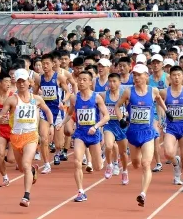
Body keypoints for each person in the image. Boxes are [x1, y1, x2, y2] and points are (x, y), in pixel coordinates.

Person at [0, 69, 55, 207]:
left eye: (24, 81)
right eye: (19, 81)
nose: (21, 83)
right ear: (15, 83)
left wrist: (51, 125)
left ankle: (26, 196)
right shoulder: (11, 100)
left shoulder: (36, 99)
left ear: (30, 82)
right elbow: (0, 117)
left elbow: (47, 111)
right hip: (16, 136)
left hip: (31, 136)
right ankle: (32, 171)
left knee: (25, 164)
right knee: (22, 168)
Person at [114, 63, 168, 207]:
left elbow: (160, 101)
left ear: (146, 76)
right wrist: (120, 119)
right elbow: (117, 106)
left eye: (139, 75)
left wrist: (166, 112)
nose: (136, 77)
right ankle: (140, 182)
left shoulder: (153, 90)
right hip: (132, 133)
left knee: (145, 164)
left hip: (148, 133)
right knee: (136, 164)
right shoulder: (128, 92)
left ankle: (143, 193)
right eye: (134, 75)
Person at [64, 69, 110, 202]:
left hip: (93, 134)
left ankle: (101, 157)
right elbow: (70, 113)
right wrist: (62, 123)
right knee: (77, 161)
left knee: (98, 167)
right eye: (80, 79)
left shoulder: (96, 97)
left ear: (90, 82)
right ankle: (80, 191)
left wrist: (95, 127)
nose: (81, 82)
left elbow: (106, 116)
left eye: (85, 80)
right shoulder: (74, 98)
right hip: (80, 133)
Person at [34, 53, 70, 173]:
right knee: (44, 138)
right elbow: (33, 94)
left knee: (59, 144)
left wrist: (64, 101)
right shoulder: (39, 78)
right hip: (45, 111)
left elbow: (68, 92)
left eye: (47, 63)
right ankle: (46, 164)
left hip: (58, 111)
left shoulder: (59, 77)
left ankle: (58, 152)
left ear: (52, 64)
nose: (44, 66)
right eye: (43, 63)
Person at [103, 73, 130, 183]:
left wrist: (125, 118)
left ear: (119, 82)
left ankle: (124, 171)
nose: (112, 84)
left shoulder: (124, 96)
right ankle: (109, 165)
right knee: (108, 146)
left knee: (123, 153)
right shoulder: (104, 95)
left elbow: (130, 110)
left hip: (122, 126)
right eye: (110, 81)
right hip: (109, 125)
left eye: (114, 81)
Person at [0, 73, 14, 187]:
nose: (8, 83)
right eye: (6, 81)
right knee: (0, 155)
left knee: (11, 159)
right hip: (1, 130)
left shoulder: (14, 96)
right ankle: (5, 178)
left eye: (10, 81)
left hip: (14, 130)